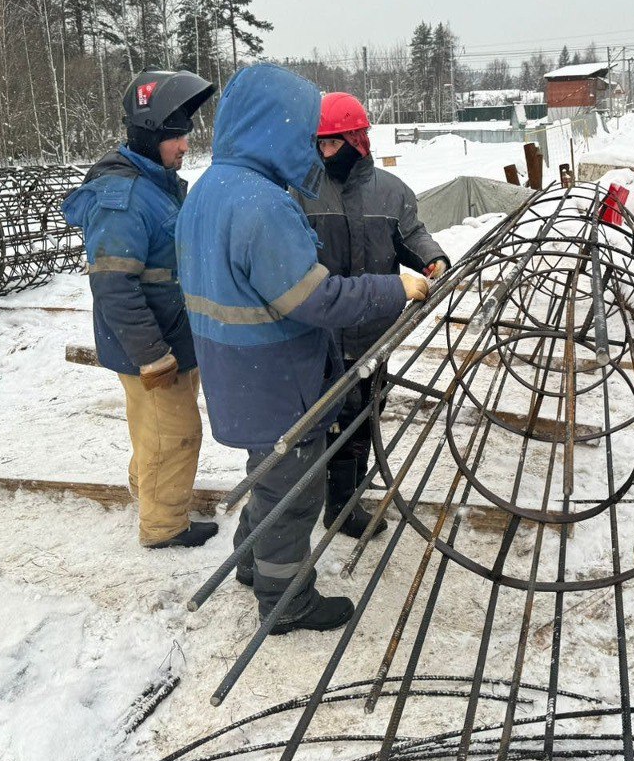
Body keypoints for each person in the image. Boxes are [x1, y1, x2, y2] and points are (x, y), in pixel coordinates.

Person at [175, 64, 427, 635]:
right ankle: (286, 599)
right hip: (276, 374)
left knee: (267, 471)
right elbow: (315, 300)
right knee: (293, 492)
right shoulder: (263, 204)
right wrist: (394, 287)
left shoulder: (211, 188)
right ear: (273, 129)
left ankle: (250, 561)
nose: (310, 147)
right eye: (301, 132)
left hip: (235, 370)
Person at [62, 69, 218, 550]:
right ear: (150, 135)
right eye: (176, 135)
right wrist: (152, 354)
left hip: (171, 337)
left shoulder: (156, 183)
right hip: (151, 346)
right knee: (175, 434)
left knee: (156, 430)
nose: (185, 145)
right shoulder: (123, 199)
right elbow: (113, 286)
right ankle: (163, 526)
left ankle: (149, 494)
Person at [297, 92, 449, 539]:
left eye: (332, 142)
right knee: (332, 417)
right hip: (321, 331)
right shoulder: (301, 189)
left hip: (374, 332)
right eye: (318, 143)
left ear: (357, 140)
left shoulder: (392, 191)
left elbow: (411, 236)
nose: (324, 152)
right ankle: (336, 505)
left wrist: (432, 259)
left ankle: (349, 493)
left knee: (366, 411)